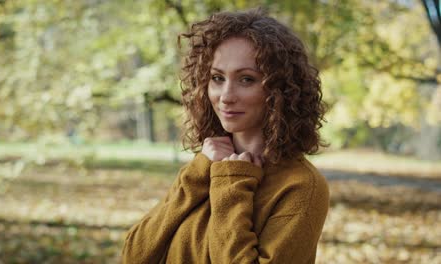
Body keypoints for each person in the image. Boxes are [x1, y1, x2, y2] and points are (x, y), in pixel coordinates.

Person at [122, 8, 329, 264]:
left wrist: (232, 182)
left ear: (280, 90)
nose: (226, 96)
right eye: (217, 78)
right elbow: (134, 255)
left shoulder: (301, 186)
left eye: (246, 79)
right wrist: (197, 174)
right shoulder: (205, 166)